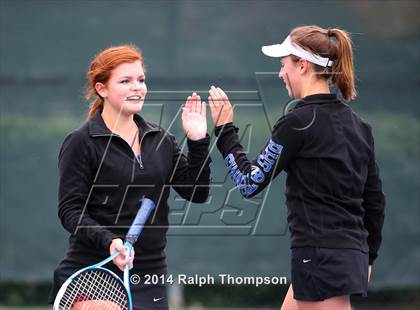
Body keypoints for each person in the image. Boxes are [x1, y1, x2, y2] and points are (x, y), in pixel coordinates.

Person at [208, 25, 385, 310]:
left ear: (302, 65)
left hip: (321, 257)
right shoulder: (359, 126)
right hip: (344, 256)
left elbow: (248, 183)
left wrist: (225, 129)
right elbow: (375, 202)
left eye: (283, 65)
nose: (280, 74)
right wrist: (368, 257)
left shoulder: (298, 122)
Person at [48, 45, 211, 310]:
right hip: (93, 272)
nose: (137, 87)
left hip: (150, 275)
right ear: (102, 89)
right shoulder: (81, 142)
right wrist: (109, 241)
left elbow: (197, 192)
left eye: (141, 80)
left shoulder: (162, 140)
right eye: (126, 81)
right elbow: (70, 210)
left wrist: (197, 140)